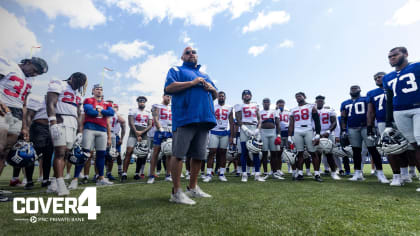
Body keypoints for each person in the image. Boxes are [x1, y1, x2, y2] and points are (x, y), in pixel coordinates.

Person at [164, 46, 217, 205]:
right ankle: (176, 192)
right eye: (187, 52)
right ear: (182, 57)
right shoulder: (176, 70)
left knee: (199, 155)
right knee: (179, 154)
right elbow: (169, 88)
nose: (191, 54)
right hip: (185, 117)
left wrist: (212, 88)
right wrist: (192, 83)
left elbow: (214, 95)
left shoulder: (205, 74)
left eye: (194, 52)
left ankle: (192, 187)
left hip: (204, 119)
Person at [0, 56, 48, 182]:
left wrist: (25, 126)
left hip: (17, 114)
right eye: (34, 69)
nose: (35, 74)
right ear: (27, 62)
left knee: (4, 152)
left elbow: (24, 103)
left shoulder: (30, 80)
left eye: (38, 73)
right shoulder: (8, 64)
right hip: (3, 109)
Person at [382, 47, 420, 191]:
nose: (391, 58)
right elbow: (389, 100)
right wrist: (388, 121)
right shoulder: (387, 77)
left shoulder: (417, 66)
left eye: (395, 55)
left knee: (419, 141)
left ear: (406, 54)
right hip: (399, 112)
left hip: (418, 108)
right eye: (389, 56)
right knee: (413, 145)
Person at [46, 72, 87, 195]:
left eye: (80, 84)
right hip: (60, 119)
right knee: (60, 152)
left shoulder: (78, 93)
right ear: (71, 78)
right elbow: (50, 103)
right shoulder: (59, 83)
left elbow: (79, 113)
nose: (77, 86)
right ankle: (60, 184)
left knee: (66, 154)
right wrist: (52, 121)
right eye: (76, 83)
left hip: (73, 122)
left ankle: (53, 183)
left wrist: (80, 130)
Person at [68, 83, 114, 190]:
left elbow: (111, 113)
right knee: (84, 154)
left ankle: (101, 178)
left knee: (101, 154)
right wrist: (102, 112)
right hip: (90, 128)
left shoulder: (106, 103)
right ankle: (75, 179)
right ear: (93, 91)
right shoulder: (88, 100)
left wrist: (100, 110)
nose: (99, 91)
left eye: (101, 89)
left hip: (102, 130)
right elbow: (90, 112)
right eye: (97, 89)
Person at [340, 85, 389, 183]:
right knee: (356, 151)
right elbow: (343, 117)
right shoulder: (345, 103)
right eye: (352, 88)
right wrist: (344, 130)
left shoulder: (365, 99)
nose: (353, 89)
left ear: (360, 90)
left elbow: (372, 111)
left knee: (373, 150)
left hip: (365, 127)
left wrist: (371, 126)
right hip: (352, 128)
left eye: (355, 88)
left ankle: (380, 173)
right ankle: (358, 173)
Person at [288, 92, 323, 182]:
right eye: (296, 97)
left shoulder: (311, 106)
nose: (298, 98)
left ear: (304, 97)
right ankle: (300, 173)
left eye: (300, 96)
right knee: (299, 153)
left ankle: (317, 174)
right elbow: (291, 124)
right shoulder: (293, 109)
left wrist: (318, 133)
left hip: (308, 129)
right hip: (297, 130)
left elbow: (316, 120)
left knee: (313, 152)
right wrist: (289, 136)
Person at [235, 90, 266, 182]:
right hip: (245, 127)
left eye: (248, 94)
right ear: (242, 97)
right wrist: (245, 129)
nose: (247, 96)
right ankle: (244, 174)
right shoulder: (239, 106)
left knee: (256, 151)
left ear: (251, 96)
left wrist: (258, 129)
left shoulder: (255, 105)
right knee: (244, 152)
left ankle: (257, 174)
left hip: (254, 127)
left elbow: (260, 119)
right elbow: (238, 118)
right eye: (245, 95)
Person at [23, 95, 53, 189]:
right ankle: (29, 181)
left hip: (51, 128)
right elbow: (29, 115)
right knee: (32, 155)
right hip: (38, 128)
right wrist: (26, 129)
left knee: (48, 156)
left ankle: (45, 180)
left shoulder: (56, 103)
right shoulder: (38, 99)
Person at [203, 91, 234, 182]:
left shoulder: (229, 107)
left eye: (222, 96)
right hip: (214, 131)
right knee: (212, 152)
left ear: (225, 97)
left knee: (223, 153)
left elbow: (231, 122)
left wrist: (232, 136)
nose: (221, 97)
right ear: (217, 97)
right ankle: (209, 173)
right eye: (219, 96)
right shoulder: (213, 106)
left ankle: (221, 173)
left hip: (224, 131)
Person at [121, 96, 152, 182]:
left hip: (144, 133)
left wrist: (141, 133)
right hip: (133, 132)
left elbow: (150, 124)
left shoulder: (148, 112)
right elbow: (131, 122)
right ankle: (124, 173)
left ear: (145, 103)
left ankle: (137, 173)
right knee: (129, 152)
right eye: (140, 101)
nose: (142, 103)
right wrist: (136, 132)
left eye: (143, 102)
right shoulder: (133, 110)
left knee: (141, 154)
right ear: (138, 102)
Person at [314, 95, 341, 180]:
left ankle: (333, 172)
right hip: (316, 133)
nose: (319, 102)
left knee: (329, 154)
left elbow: (334, 123)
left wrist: (328, 131)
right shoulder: (312, 111)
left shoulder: (330, 110)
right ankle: (317, 173)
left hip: (328, 133)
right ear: (316, 102)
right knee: (317, 154)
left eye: (321, 101)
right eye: (318, 101)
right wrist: (316, 133)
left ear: (324, 102)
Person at [148, 94, 173, 184]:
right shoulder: (157, 106)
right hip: (160, 131)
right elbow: (155, 119)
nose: (169, 98)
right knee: (155, 153)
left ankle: (168, 175)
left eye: (170, 97)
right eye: (167, 96)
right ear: (163, 96)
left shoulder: (172, 107)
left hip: (170, 131)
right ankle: (151, 175)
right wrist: (162, 130)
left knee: (169, 153)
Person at [259, 98, 284, 180]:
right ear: (262, 104)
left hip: (272, 132)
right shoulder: (259, 112)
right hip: (263, 132)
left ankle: (274, 172)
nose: (266, 103)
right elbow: (258, 124)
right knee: (264, 154)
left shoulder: (274, 111)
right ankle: (265, 172)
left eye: (267, 102)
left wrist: (279, 135)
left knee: (274, 153)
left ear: (270, 103)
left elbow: (277, 123)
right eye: (264, 102)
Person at [106, 102, 126, 180]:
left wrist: (121, 138)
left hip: (115, 135)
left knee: (117, 154)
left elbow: (124, 126)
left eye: (115, 107)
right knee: (105, 155)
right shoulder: (106, 114)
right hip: (106, 134)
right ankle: (104, 172)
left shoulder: (117, 116)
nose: (113, 108)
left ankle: (120, 170)